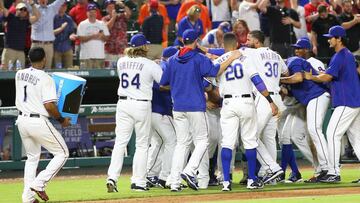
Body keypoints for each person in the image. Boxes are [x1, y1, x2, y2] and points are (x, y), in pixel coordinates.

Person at [160, 29, 241, 191]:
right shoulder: (198, 58)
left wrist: (178, 86)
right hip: (195, 107)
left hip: (178, 108)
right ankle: (190, 170)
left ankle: (174, 182)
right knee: (203, 140)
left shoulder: (172, 60)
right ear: (196, 42)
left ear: (183, 41)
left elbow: (163, 84)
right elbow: (215, 71)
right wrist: (231, 57)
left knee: (182, 144)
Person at [214, 32, 279, 191]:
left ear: (223, 45)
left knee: (227, 143)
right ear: (236, 44)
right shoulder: (245, 58)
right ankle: (251, 180)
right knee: (250, 141)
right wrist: (270, 101)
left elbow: (209, 79)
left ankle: (226, 182)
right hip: (246, 102)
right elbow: (258, 81)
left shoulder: (219, 60)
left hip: (228, 103)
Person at [106, 34, 163, 192]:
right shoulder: (150, 64)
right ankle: (138, 181)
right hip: (141, 104)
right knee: (142, 144)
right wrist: (159, 65)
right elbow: (164, 82)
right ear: (143, 47)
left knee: (120, 143)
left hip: (123, 103)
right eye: (147, 45)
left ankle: (112, 177)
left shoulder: (121, 61)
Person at [304, 25, 360, 183]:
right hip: (353, 100)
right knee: (356, 139)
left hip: (346, 101)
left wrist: (312, 77)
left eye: (331, 37)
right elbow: (329, 75)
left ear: (339, 39)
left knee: (332, 133)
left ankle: (334, 172)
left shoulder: (341, 55)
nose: (328, 40)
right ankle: (333, 171)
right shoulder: (346, 55)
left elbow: (327, 77)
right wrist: (320, 75)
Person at [15, 47, 71, 203]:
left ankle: (27, 198)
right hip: (37, 121)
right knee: (63, 153)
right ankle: (39, 184)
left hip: (22, 121)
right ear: (44, 59)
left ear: (29, 58)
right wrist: (61, 120)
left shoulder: (19, 74)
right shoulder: (46, 78)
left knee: (32, 158)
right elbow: (49, 106)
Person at [281, 38, 331, 183]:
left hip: (316, 97)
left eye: (300, 48)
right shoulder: (291, 65)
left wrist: (281, 80)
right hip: (303, 102)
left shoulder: (303, 62)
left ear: (307, 49)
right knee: (295, 135)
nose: (296, 50)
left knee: (314, 131)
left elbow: (299, 79)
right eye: (295, 48)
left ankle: (329, 167)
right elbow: (293, 88)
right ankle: (320, 168)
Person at [245, 30, 286, 183]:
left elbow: (229, 52)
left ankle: (271, 168)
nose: (246, 42)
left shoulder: (252, 53)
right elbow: (285, 72)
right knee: (269, 137)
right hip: (276, 97)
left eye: (249, 39)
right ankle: (272, 176)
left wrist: (206, 50)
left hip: (264, 98)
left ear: (257, 42)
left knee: (250, 136)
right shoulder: (276, 55)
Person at [145, 46, 178, 188]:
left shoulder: (159, 65)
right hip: (159, 111)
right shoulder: (163, 66)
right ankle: (161, 176)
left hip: (154, 111)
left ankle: (152, 175)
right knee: (171, 141)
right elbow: (162, 86)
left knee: (160, 143)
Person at [0, 0, 40, 70]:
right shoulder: (10, 17)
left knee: (20, 74)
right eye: (21, 9)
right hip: (9, 50)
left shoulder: (26, 21)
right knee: (5, 71)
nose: (23, 11)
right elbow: (2, 7)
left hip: (21, 52)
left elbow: (37, 16)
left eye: (25, 10)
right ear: (16, 10)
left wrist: (32, 4)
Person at [31, 0, 68, 69]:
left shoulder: (52, 8)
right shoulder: (32, 7)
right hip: (36, 44)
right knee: (35, 70)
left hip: (49, 45)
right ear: (38, 1)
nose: (43, 0)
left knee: (47, 70)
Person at [77, 4, 110, 69]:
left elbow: (107, 38)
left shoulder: (102, 24)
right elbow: (80, 38)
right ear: (87, 13)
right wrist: (92, 36)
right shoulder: (82, 24)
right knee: (86, 77)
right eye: (90, 12)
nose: (92, 14)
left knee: (100, 78)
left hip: (99, 56)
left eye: (94, 12)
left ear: (96, 13)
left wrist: (102, 36)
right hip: (86, 57)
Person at [102, 0, 131, 65]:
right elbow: (107, 27)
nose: (111, 9)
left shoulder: (122, 16)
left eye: (113, 7)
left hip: (121, 49)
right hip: (110, 50)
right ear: (106, 9)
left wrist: (123, 5)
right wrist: (113, 17)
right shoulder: (104, 19)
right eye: (109, 7)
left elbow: (128, 14)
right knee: (109, 71)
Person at [53, 3, 75, 69]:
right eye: (61, 5)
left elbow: (71, 32)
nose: (63, 7)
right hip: (56, 48)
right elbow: (50, 33)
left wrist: (72, 35)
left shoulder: (69, 19)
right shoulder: (53, 18)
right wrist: (61, 28)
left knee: (69, 70)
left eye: (65, 6)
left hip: (67, 48)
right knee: (57, 70)